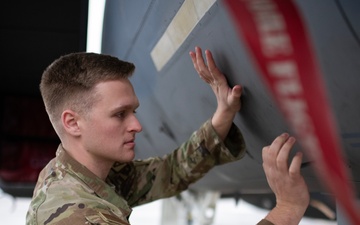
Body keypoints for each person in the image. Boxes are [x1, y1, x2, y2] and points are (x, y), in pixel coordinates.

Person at [26, 46, 309, 225]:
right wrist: (288, 208)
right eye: (120, 114)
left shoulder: (77, 171)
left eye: (133, 111)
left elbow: (170, 173)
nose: (137, 125)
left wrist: (222, 115)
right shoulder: (77, 216)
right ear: (73, 123)